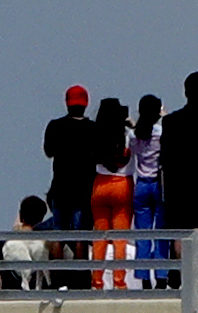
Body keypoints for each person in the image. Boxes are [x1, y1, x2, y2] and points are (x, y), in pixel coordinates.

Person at [43, 84, 98, 288]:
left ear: (67, 103)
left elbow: (48, 151)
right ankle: (80, 277)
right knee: (80, 234)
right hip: (83, 188)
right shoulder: (93, 129)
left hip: (60, 186)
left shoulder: (55, 126)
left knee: (59, 233)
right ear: (86, 104)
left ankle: (58, 278)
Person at [158, 73, 198, 239]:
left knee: (179, 232)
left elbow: (165, 156)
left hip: (177, 185)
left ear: (186, 92)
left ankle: (179, 264)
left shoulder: (170, 121)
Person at [89, 97, 133, 288]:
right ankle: (119, 280)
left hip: (100, 184)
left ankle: (97, 280)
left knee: (100, 236)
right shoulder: (127, 135)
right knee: (120, 238)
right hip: (122, 184)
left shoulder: (95, 136)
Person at [127, 94, 165, 285]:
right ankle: (161, 275)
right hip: (159, 184)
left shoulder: (134, 135)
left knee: (142, 233)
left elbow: (135, 142)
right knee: (161, 232)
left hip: (141, 184)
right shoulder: (162, 132)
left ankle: (142, 276)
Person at [0, 195, 52, 290]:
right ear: (41, 218)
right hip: (41, 293)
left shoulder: (4, 243)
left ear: (20, 215)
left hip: (10, 294)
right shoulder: (48, 244)